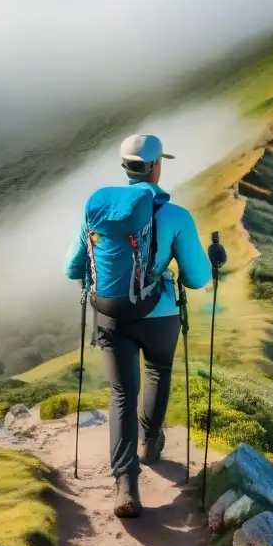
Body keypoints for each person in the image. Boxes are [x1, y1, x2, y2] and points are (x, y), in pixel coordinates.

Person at [64, 133, 212, 518]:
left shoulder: (96, 213)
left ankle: (125, 487)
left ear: (125, 167)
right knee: (158, 371)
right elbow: (197, 279)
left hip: (111, 315)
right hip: (159, 315)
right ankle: (150, 443)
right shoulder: (175, 216)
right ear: (157, 165)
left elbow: (72, 268)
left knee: (121, 394)